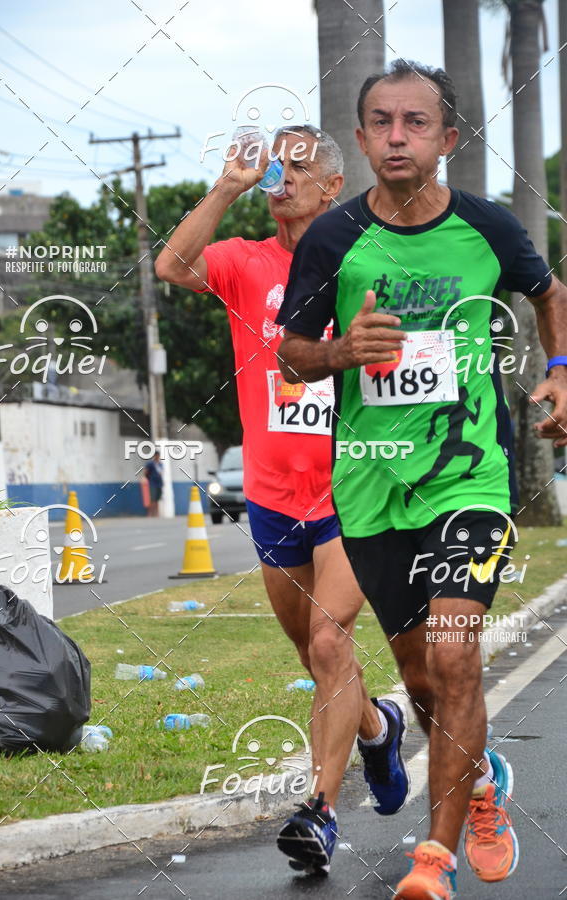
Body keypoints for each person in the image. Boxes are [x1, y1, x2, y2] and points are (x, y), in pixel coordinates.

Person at [276, 59, 567, 899]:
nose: (397, 136)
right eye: (380, 122)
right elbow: (292, 354)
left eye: (415, 122)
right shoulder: (333, 239)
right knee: (418, 677)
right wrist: (340, 352)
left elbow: (551, 292)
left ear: (448, 137)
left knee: (456, 655)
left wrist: (559, 369)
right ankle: (478, 783)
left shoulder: (487, 229)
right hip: (370, 484)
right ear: (362, 136)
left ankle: (431, 863)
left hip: (468, 476)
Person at [155, 124, 409, 875]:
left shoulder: (364, 264)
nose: (283, 178)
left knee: (333, 645)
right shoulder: (243, 264)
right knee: (315, 655)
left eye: (300, 168)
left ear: (333, 187)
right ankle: (376, 727)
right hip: (270, 497)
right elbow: (173, 263)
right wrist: (228, 185)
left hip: (350, 489)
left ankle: (321, 812)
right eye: (277, 167)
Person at [144, 451, 163, 517]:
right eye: (156, 456)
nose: (157, 457)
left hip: (159, 483)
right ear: (154, 456)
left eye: (158, 456)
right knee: (152, 499)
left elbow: (161, 473)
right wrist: (148, 478)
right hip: (152, 483)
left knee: (157, 499)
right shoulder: (151, 464)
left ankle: (156, 514)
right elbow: (146, 472)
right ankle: (150, 514)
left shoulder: (160, 464)